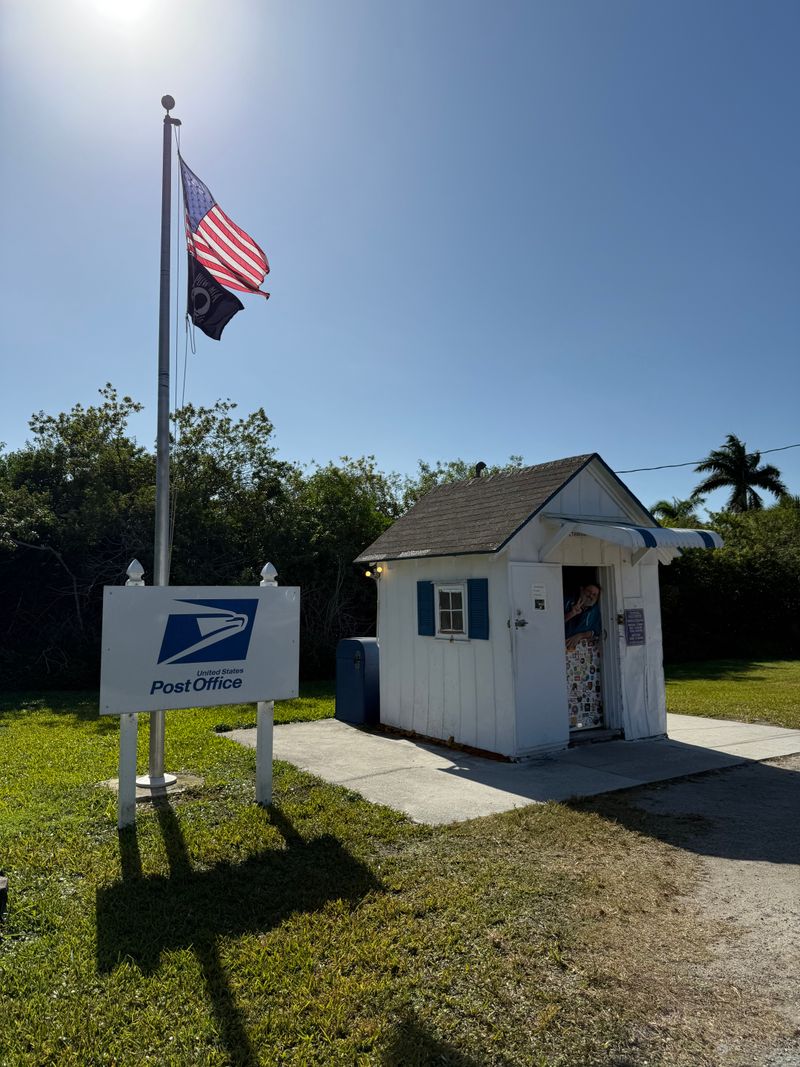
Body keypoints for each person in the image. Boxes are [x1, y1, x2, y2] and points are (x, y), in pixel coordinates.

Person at [563, 583, 601, 651]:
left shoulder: (595, 611)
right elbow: (553, 624)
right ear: (581, 590)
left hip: (575, 653)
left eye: (594, 595)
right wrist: (572, 613)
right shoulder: (566, 601)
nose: (591, 596)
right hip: (557, 645)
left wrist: (580, 635)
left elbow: (595, 631)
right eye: (589, 591)